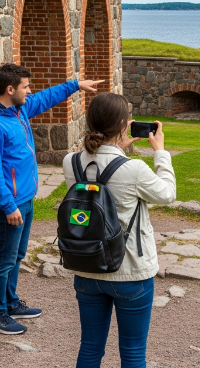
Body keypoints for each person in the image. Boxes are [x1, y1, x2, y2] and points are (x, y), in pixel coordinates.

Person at [0, 64, 102, 335]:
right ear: (10, 90)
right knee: (4, 258)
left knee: (17, 255)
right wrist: (9, 205)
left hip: (26, 198)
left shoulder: (19, 109)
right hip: (10, 203)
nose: (29, 91)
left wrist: (75, 85)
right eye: (25, 87)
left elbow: (45, 97)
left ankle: (10, 302)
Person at [62, 93, 176, 367]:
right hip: (130, 270)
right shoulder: (133, 168)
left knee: (89, 348)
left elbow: (99, 164)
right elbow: (168, 194)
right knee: (133, 351)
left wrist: (117, 146)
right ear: (124, 125)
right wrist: (160, 152)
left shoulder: (71, 162)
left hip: (87, 265)